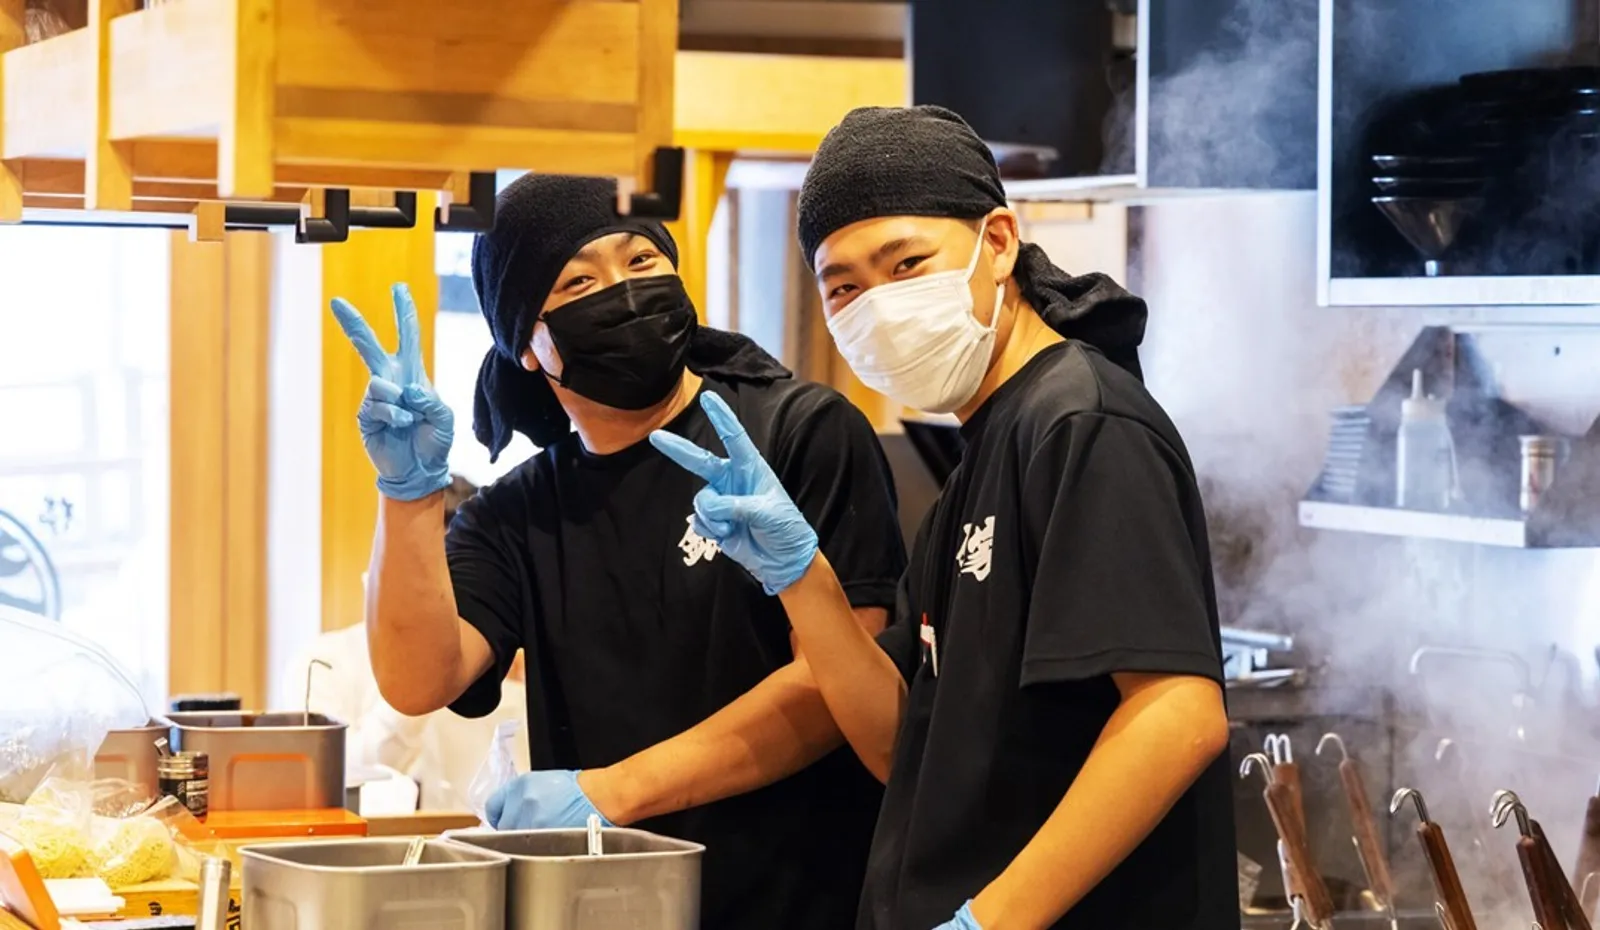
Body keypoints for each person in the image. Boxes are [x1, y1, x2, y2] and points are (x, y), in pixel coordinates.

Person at [562, 105, 1234, 930]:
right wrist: (803, 579)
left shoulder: (1080, 422)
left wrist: (992, 923)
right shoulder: (978, 458)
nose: (877, 305)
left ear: (997, 242)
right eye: (843, 287)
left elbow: (1176, 715)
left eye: (907, 263)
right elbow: (897, 746)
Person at [327, 173, 907, 930]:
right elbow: (417, 680)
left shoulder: (796, 433)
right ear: (526, 344)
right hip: (609, 909)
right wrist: (407, 493)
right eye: (579, 281)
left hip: (798, 903)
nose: (624, 292)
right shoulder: (520, 513)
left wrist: (615, 791)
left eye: (642, 261)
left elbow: (839, 682)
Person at [286, 476, 532, 811]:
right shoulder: (325, 664)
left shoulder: (507, 671)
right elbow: (329, 789)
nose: (436, 598)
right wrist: (422, 682)